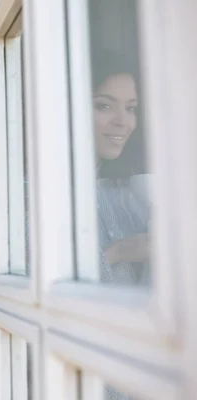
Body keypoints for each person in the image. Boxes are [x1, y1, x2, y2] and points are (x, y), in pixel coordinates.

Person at [91, 55, 150, 285]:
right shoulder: (32, 194)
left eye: (130, 108)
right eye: (104, 105)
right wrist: (118, 252)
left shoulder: (126, 191)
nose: (123, 121)